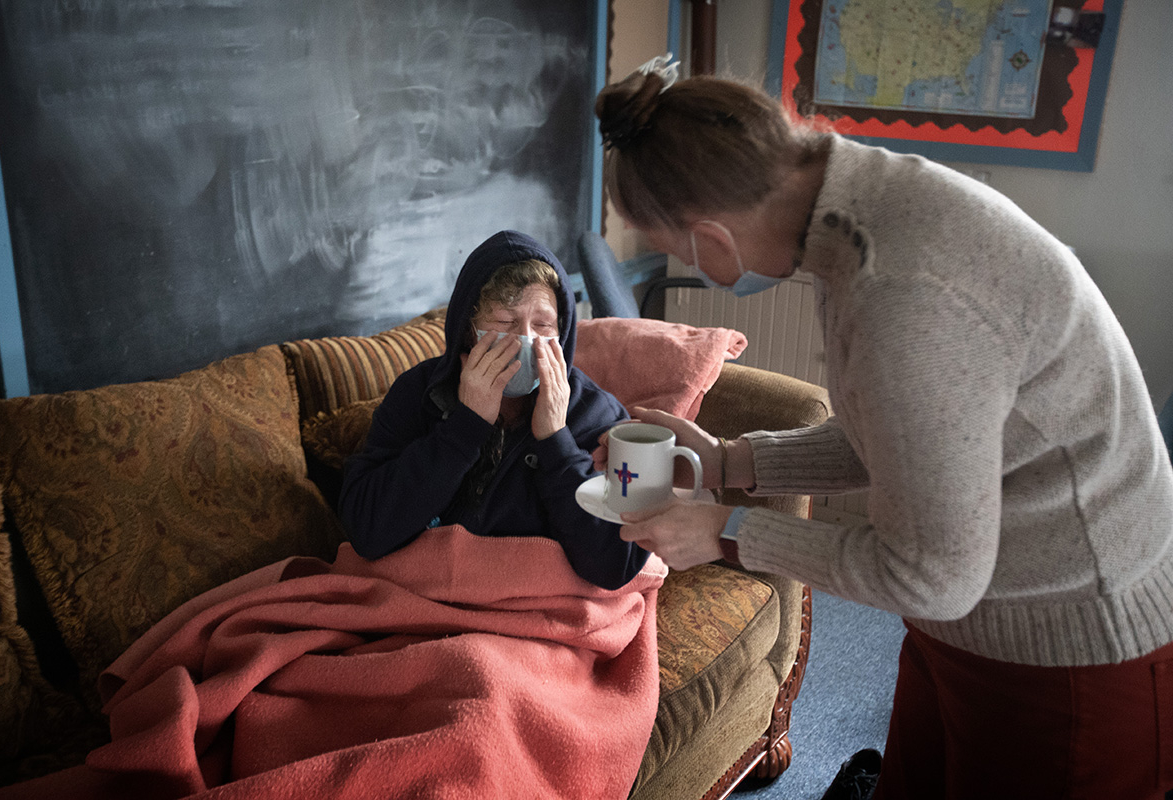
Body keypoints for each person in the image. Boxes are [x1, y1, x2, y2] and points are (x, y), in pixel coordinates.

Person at [593, 56, 1173, 799]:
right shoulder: (856, 207)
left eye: (677, 253)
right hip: (974, 626)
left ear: (712, 236)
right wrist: (724, 461)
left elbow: (933, 576)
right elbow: (900, 438)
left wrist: (726, 532)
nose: (692, 269)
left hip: (1073, 647)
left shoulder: (906, 294)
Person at [339, 229, 648, 590]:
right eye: (505, 322)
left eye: (543, 325)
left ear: (562, 332)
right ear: (468, 331)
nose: (528, 340)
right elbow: (365, 530)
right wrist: (464, 428)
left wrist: (555, 440)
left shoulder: (596, 412)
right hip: (424, 598)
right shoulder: (418, 394)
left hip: (534, 614)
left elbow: (615, 564)